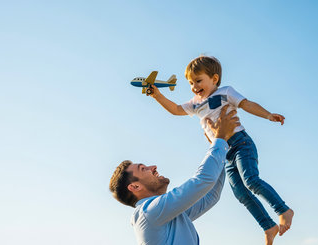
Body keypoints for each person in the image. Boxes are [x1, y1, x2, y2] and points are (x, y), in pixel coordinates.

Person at [148, 55, 294, 244]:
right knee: (241, 194)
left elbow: (247, 104)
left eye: (198, 81)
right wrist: (157, 95)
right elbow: (176, 109)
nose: (194, 87)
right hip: (226, 153)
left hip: (241, 143)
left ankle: (283, 210)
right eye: (191, 83)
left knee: (251, 181)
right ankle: (268, 226)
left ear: (214, 79)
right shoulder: (195, 103)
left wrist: (268, 115)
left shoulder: (225, 92)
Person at [109, 105, 240, 245]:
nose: (153, 167)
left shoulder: (166, 214)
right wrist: (219, 139)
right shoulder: (149, 213)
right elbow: (202, 181)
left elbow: (210, 196)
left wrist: (222, 146)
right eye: (143, 168)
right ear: (135, 186)